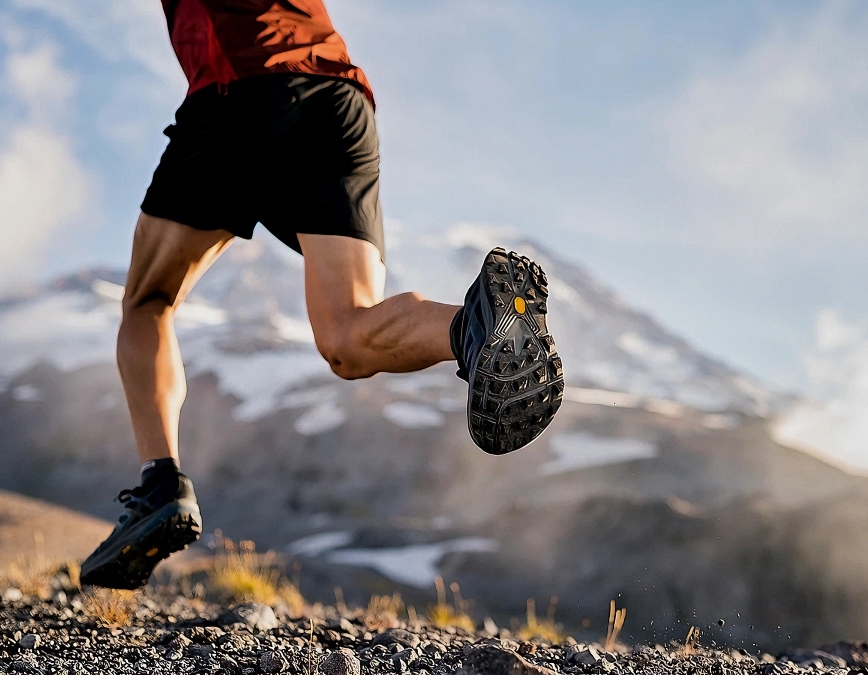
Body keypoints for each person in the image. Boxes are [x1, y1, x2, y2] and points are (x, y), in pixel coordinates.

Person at [79, 0, 564, 589]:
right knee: (347, 339)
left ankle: (160, 485)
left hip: (241, 88)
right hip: (341, 101)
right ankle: (476, 326)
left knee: (149, 301)